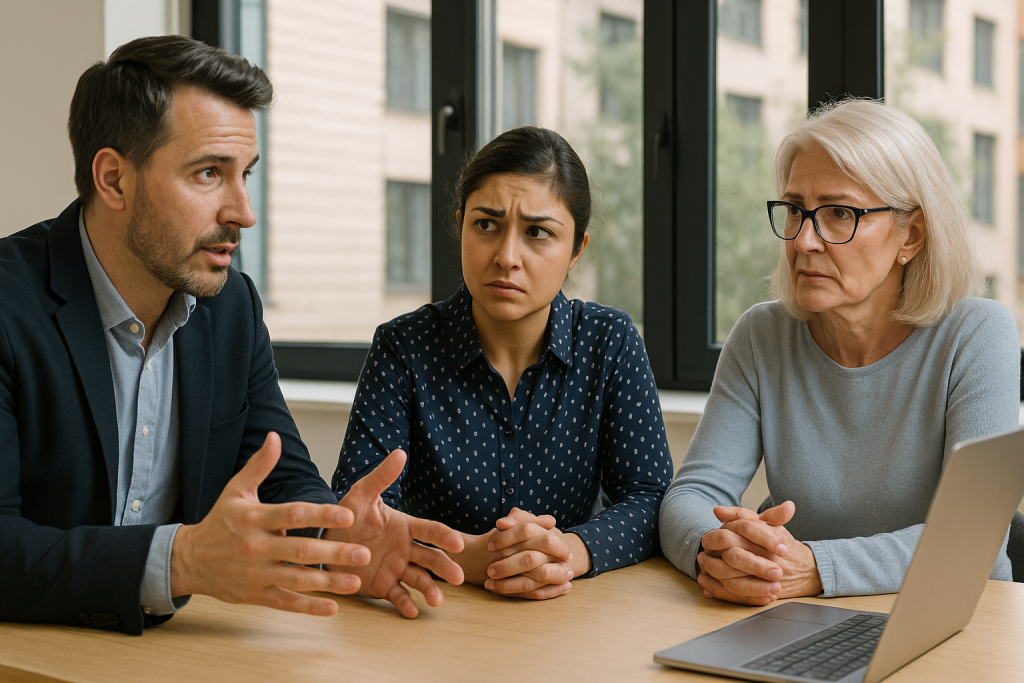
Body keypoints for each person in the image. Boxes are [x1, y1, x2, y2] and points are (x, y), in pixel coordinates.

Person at [0, 35, 465, 636]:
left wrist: (334, 534)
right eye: (209, 173)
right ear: (113, 179)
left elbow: (275, 469)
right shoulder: (9, 305)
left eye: (245, 174)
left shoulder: (231, 306)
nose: (243, 211)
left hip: (175, 657)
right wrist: (183, 560)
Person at [659, 98, 1020, 605]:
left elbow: (975, 534)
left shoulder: (978, 333)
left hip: (956, 618)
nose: (805, 240)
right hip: (800, 617)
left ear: (910, 235)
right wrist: (722, 552)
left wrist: (816, 568)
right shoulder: (762, 336)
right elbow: (692, 495)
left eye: (838, 214)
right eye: (795, 210)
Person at [333, 126, 673, 599]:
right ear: (461, 226)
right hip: (430, 609)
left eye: (538, 233)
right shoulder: (402, 347)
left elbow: (651, 498)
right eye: (487, 225)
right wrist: (470, 557)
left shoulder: (609, 342)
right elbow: (357, 513)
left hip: (568, 614)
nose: (506, 256)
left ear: (577, 250)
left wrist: (568, 551)